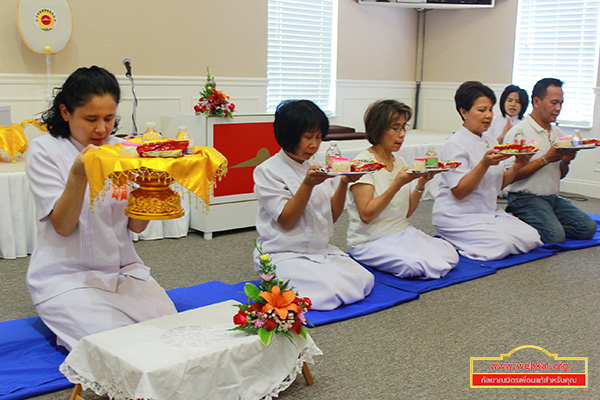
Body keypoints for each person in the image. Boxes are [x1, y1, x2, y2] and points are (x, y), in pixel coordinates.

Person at [26, 66, 177, 351]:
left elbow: (136, 227)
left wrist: (152, 187)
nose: (101, 129)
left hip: (122, 271)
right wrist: (79, 173)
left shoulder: (123, 150)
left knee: (170, 333)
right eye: (91, 119)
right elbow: (63, 226)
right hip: (66, 277)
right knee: (118, 347)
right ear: (65, 112)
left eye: (109, 118)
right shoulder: (45, 150)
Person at [253, 99, 374, 310]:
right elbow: (287, 220)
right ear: (288, 135)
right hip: (283, 252)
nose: (315, 145)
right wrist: (308, 184)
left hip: (320, 250)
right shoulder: (267, 171)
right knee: (328, 291)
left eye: (319, 137)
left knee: (363, 279)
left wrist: (343, 183)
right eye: (308, 137)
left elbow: (332, 217)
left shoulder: (317, 167)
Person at [346, 100, 458, 278]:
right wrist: (397, 184)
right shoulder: (362, 164)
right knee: (414, 265)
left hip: (401, 232)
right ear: (378, 129)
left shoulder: (400, 162)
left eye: (404, 127)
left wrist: (421, 183)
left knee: (450, 254)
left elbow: (406, 213)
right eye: (396, 128)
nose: (402, 134)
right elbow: (366, 215)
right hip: (371, 240)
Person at [432, 81, 542, 260]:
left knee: (531, 237)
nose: (488, 116)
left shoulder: (491, 142)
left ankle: (476, 236)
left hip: (487, 212)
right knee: (502, 244)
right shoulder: (454, 144)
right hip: (457, 215)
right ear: (464, 112)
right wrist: (483, 164)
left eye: (490, 110)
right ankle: (453, 239)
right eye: (482, 110)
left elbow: (496, 184)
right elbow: (459, 192)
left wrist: (517, 166)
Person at [503, 78, 597, 244]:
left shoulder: (558, 133)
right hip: (524, 199)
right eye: (554, 103)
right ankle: (518, 220)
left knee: (587, 228)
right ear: (537, 102)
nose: (558, 108)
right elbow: (509, 177)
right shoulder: (519, 133)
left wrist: (565, 162)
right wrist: (546, 159)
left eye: (561, 103)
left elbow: (559, 175)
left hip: (552, 198)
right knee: (555, 236)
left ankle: (545, 220)